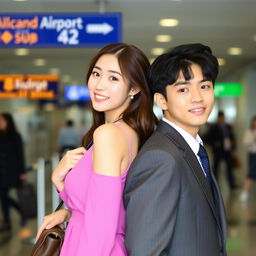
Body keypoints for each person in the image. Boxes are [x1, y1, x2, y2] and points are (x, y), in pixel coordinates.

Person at [36, 43, 157, 255]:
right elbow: (107, 210)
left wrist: (60, 181)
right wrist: (66, 206)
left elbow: (100, 230)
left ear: (135, 88)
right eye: (96, 73)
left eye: (113, 78)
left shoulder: (109, 135)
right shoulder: (129, 133)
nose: (99, 85)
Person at [124, 43, 227, 256]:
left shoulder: (189, 147)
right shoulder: (161, 158)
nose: (197, 97)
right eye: (183, 89)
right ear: (161, 100)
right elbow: (145, 250)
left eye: (204, 86)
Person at [0, 113, 27, 232]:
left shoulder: (15, 136)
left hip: (12, 171)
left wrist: (22, 171)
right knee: (3, 196)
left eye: (2, 121)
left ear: (8, 122)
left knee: (4, 196)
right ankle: (8, 221)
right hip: (1, 171)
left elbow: (20, 154)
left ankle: (20, 211)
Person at [206, 110, 238, 189]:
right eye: (220, 118)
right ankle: (214, 185)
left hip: (227, 150)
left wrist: (233, 148)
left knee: (229, 168)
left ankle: (232, 184)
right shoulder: (214, 128)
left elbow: (233, 137)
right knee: (216, 169)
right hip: (218, 151)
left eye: (222, 118)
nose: (221, 119)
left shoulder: (228, 126)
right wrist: (215, 143)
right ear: (218, 118)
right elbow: (208, 138)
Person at [240, 115, 256, 201]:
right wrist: (253, 140)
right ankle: (244, 193)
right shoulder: (249, 132)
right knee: (251, 174)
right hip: (253, 155)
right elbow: (245, 143)